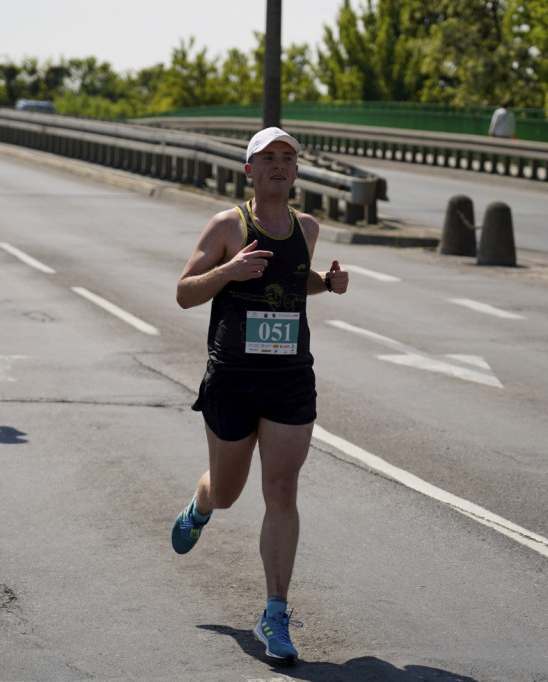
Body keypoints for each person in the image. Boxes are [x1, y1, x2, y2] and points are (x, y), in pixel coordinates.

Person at [171, 126, 349, 663]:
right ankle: (202, 505)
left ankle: (275, 612)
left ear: (297, 170)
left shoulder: (307, 227)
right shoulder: (228, 225)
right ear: (248, 169)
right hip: (234, 377)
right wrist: (229, 269)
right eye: (266, 157)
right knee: (228, 492)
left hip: (290, 375)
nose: (278, 165)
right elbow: (183, 293)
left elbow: (295, 281)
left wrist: (326, 282)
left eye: (287, 158)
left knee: (282, 489)